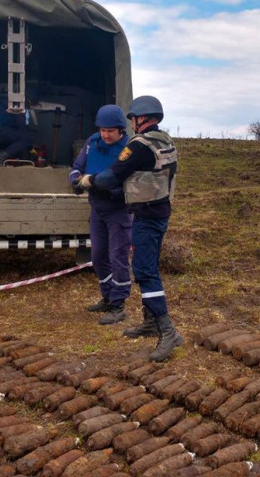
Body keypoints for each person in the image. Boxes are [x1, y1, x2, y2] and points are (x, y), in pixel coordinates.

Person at [77, 95, 183, 362]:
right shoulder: (165, 141)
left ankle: (167, 331)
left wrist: (89, 181)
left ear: (142, 118)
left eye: (134, 118)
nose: (132, 123)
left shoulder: (139, 146)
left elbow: (113, 175)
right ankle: (149, 322)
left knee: (145, 272)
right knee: (147, 268)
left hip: (146, 216)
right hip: (160, 212)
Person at [69, 105, 133, 325]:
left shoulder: (128, 149)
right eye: (102, 130)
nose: (105, 135)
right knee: (98, 257)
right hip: (97, 210)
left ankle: (118, 304)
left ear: (120, 130)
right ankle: (107, 296)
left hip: (119, 211)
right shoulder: (92, 143)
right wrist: (75, 181)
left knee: (118, 257)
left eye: (110, 131)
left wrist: (107, 187)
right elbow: (77, 167)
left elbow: (130, 183)